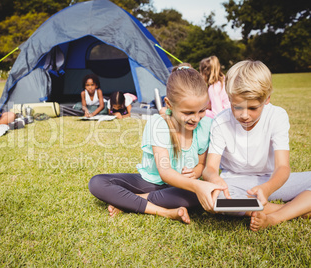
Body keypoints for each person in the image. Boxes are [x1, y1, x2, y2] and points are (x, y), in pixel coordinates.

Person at [89, 67, 226, 223]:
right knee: (97, 183)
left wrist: (195, 173)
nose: (196, 118)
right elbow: (165, 172)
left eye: (201, 110)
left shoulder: (206, 125)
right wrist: (195, 185)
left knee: (198, 194)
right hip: (150, 183)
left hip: (181, 188)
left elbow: (202, 164)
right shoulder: (158, 123)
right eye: (188, 112)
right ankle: (165, 212)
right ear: (169, 104)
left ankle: (131, 201)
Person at [202, 60, 311, 231]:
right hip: (234, 182)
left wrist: (267, 189)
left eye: (253, 108)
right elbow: (210, 168)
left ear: (267, 99)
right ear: (229, 98)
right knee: (218, 200)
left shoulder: (277, 116)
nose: (244, 115)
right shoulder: (220, 121)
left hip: (271, 180)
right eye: (237, 107)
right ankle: (295, 210)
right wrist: (214, 179)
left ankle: (275, 216)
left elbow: (283, 167)